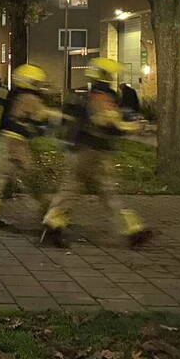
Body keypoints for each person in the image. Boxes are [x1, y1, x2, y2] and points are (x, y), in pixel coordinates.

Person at [42, 58, 153, 248]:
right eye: (109, 74)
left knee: (69, 191)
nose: (112, 77)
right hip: (95, 153)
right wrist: (132, 127)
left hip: (79, 151)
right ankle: (134, 231)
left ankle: (52, 226)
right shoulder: (103, 97)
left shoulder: (89, 94)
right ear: (104, 75)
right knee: (109, 194)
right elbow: (108, 123)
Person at [0, 64, 55, 229]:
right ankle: (50, 214)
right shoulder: (28, 97)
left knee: (1, 176)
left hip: (6, 138)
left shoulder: (13, 95)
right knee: (31, 176)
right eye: (36, 82)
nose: (39, 85)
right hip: (16, 142)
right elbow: (41, 115)